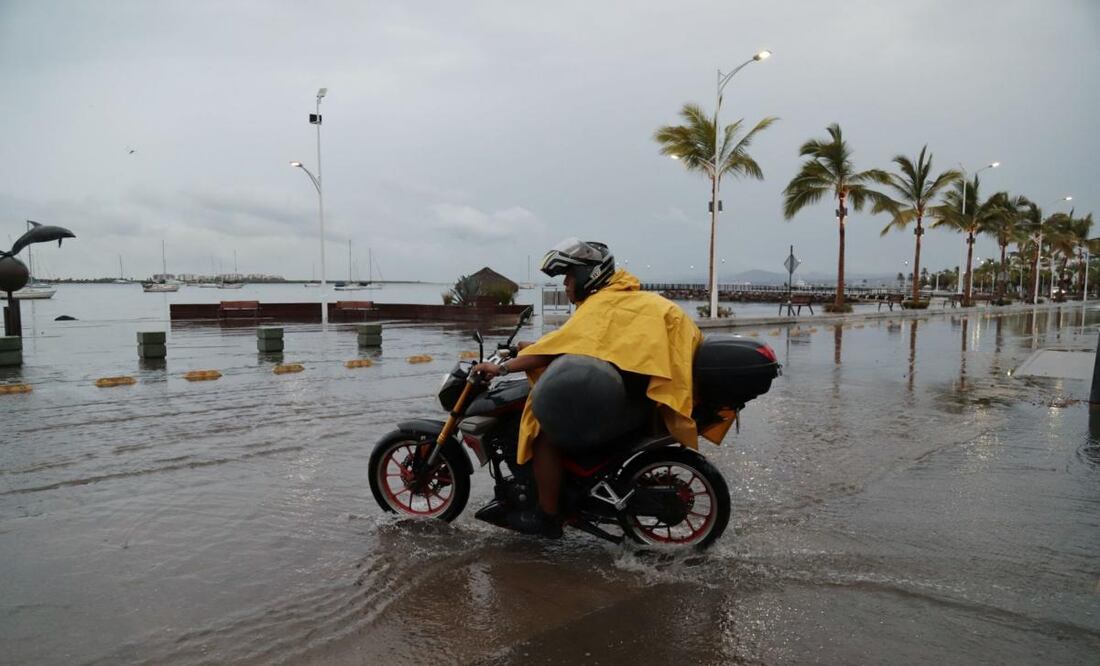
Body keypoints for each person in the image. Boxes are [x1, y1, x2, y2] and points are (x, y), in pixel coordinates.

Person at [472, 237, 703, 538]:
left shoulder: (604, 304)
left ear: (587, 275)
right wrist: (527, 348)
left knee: (543, 435)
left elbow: (561, 349)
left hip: (629, 402)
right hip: (641, 395)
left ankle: (548, 516)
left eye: (569, 276)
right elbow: (580, 344)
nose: (566, 283)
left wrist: (500, 368)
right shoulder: (620, 299)